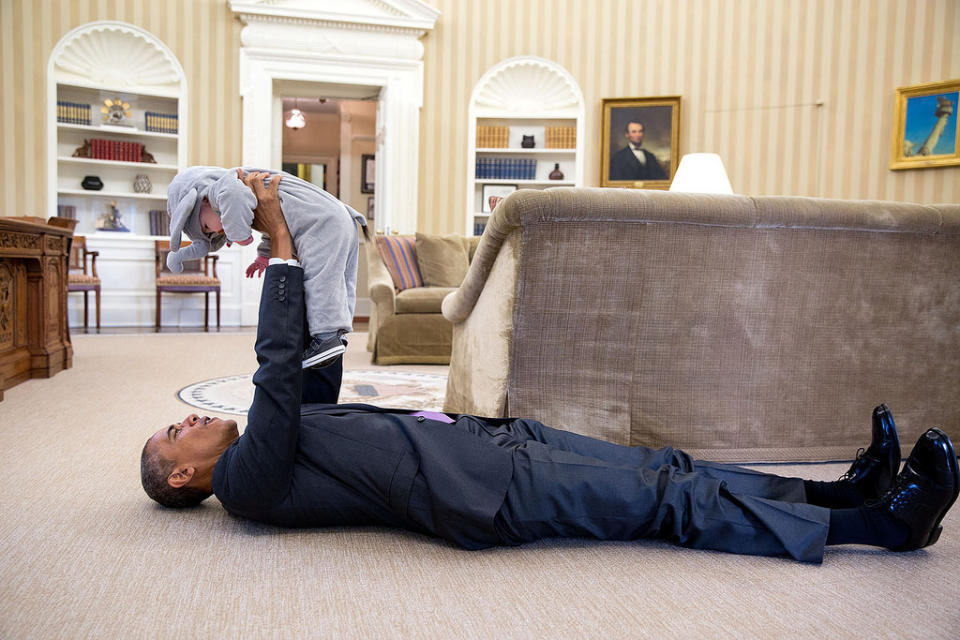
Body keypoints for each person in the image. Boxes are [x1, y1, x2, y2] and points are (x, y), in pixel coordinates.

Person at [141, 173, 960, 563]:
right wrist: (276, 239)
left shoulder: (272, 444)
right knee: (663, 502)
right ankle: (880, 527)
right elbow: (278, 372)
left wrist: (296, 255)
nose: (185, 421)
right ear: (185, 480)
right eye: (173, 437)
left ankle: (840, 492)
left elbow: (313, 349)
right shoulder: (248, 483)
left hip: (487, 445)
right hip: (485, 492)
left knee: (665, 464)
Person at [165, 166, 367, 369]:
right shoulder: (249, 191)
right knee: (340, 279)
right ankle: (338, 335)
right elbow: (281, 217)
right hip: (337, 216)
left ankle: (327, 336)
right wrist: (263, 256)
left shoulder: (224, 188)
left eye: (207, 227)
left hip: (321, 222)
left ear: (203, 200)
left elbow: (236, 197)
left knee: (321, 279)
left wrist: (240, 235)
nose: (216, 231)